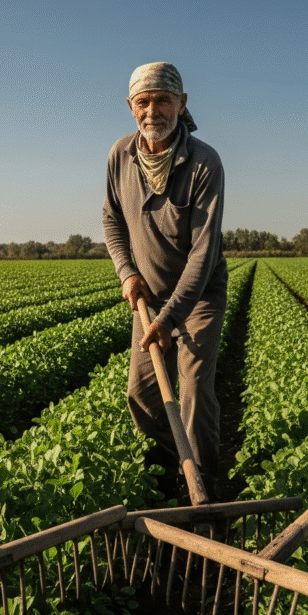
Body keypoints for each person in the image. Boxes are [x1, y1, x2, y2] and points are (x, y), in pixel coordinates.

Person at [102, 62, 228, 500]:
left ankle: (206, 490)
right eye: (143, 101)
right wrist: (127, 270)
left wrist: (170, 318)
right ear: (131, 107)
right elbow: (112, 217)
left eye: (163, 100)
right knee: (143, 393)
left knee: (192, 392)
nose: (152, 109)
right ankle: (162, 479)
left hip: (197, 299)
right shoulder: (121, 154)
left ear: (182, 104)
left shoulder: (204, 162)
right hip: (149, 297)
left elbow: (203, 253)